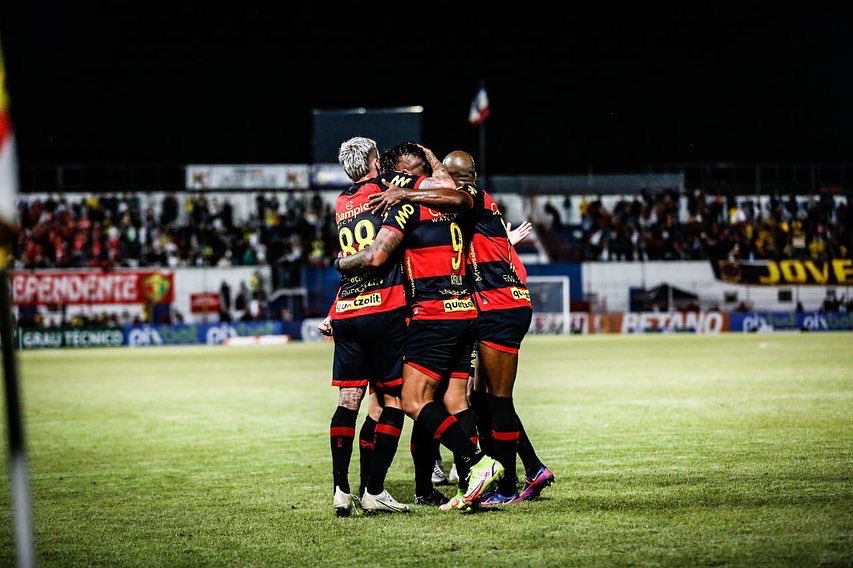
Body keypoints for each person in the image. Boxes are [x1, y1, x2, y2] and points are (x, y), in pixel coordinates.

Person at [336, 142, 505, 513]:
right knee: (455, 401)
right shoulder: (449, 198)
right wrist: (429, 159)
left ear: (397, 174)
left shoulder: (405, 205)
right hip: (465, 310)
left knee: (409, 401)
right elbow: (451, 186)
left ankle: (477, 462)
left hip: (431, 314)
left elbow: (377, 255)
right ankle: (469, 488)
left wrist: (342, 264)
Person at [322, 137, 457, 516]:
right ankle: (374, 490)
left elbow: (353, 255)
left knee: (349, 401)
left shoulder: (341, 203)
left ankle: (340, 489)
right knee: (391, 401)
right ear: (374, 160)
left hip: (348, 308)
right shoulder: (388, 189)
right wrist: (429, 158)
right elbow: (446, 190)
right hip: (385, 308)